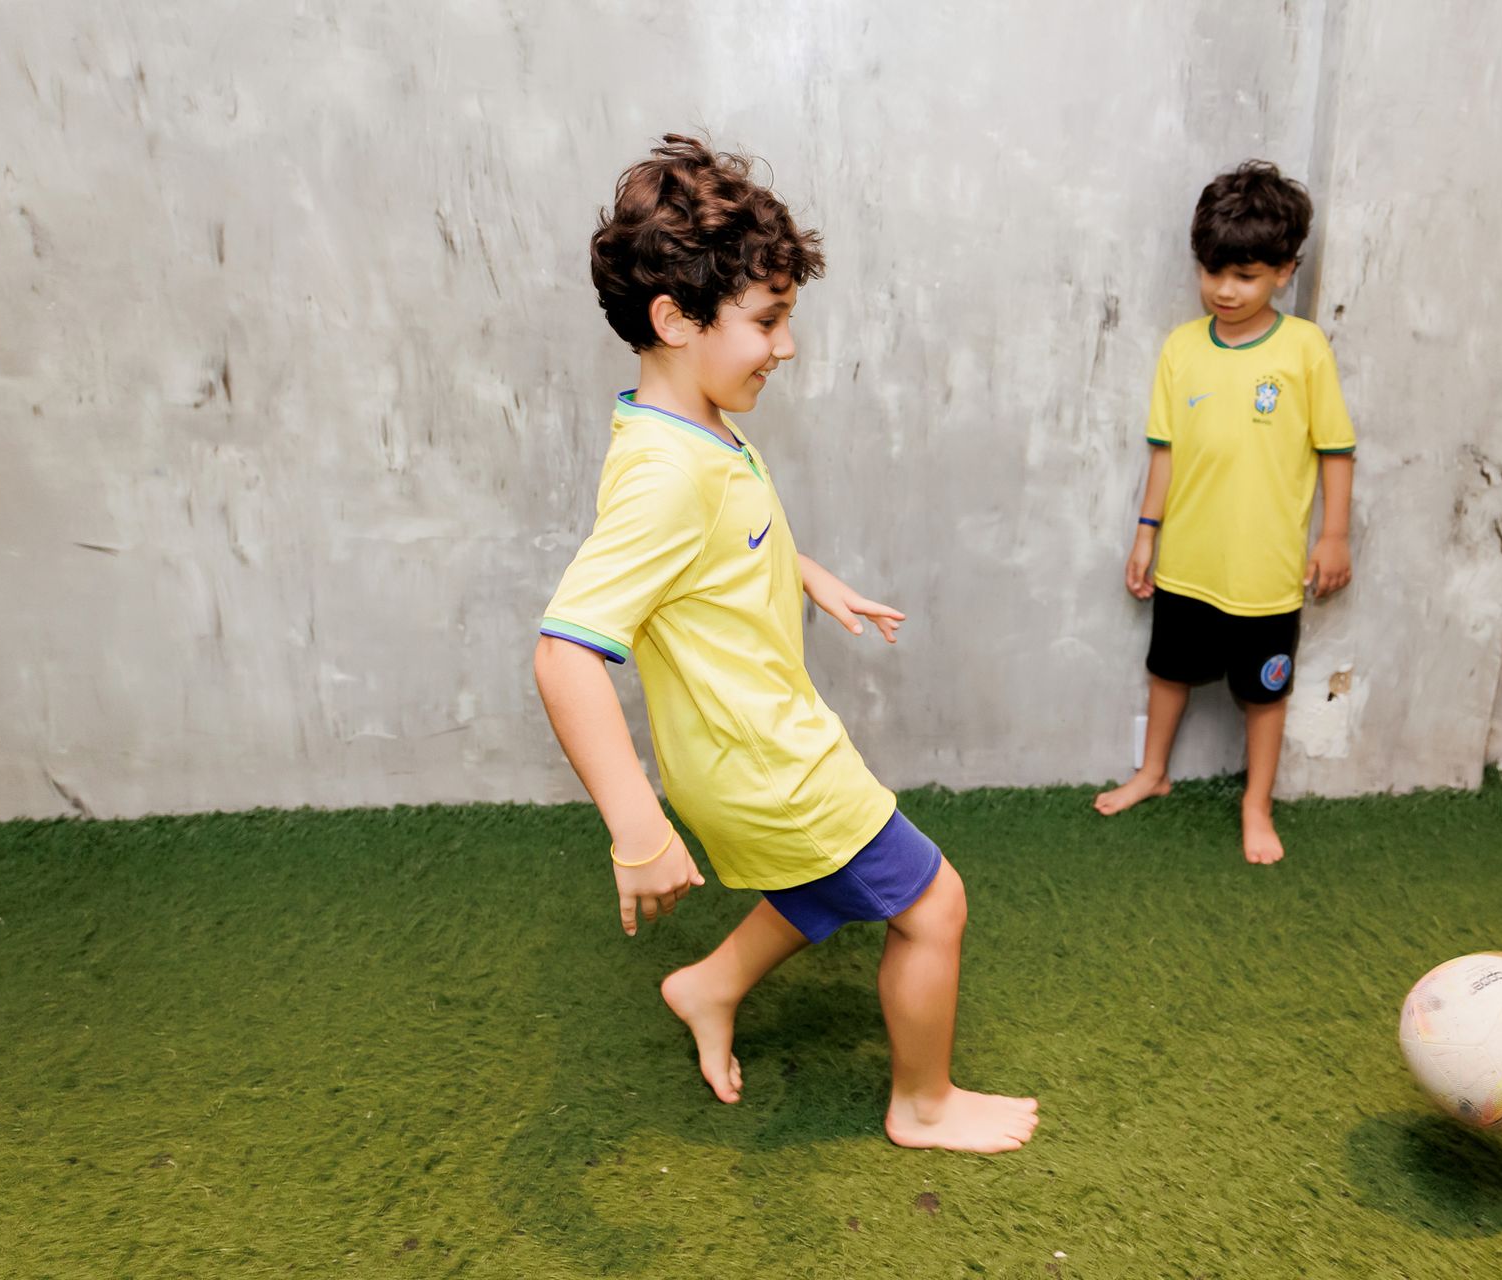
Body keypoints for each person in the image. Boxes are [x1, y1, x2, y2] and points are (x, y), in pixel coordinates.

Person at [532, 135, 1037, 1153]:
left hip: (755, 744)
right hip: (768, 760)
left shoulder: (690, 426)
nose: (787, 346)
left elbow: (725, 536)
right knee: (934, 902)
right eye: (767, 321)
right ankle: (924, 1103)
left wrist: (809, 574)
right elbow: (565, 653)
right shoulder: (665, 475)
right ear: (674, 319)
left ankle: (706, 985)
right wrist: (637, 827)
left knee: (821, 881)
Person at [1094, 161, 1357, 864]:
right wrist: (1145, 534)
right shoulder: (1181, 349)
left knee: (1263, 696)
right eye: (1213, 272)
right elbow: (1165, 452)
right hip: (1186, 563)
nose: (1224, 290)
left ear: (1285, 270)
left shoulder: (1304, 350)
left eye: (1244, 275)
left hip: (1265, 573)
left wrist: (1334, 535)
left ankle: (1256, 804)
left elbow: (1336, 450)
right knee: (1168, 671)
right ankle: (1153, 774)